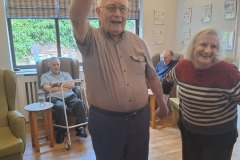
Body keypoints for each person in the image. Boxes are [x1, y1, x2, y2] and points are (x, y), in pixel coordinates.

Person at [69, 0, 169, 159]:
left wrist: (162, 103)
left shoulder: (138, 42)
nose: (118, 14)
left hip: (139, 120)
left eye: (122, 9)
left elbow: (151, 76)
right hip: (106, 123)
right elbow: (76, 17)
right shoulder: (90, 39)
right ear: (98, 12)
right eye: (111, 7)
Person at [161, 27, 240, 160]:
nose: (208, 50)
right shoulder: (183, 66)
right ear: (193, 46)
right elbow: (167, 81)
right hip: (189, 132)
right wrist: (163, 104)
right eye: (203, 44)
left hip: (219, 137)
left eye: (213, 46)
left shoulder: (228, 72)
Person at [40, 57, 88, 144]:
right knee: (60, 107)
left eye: (58, 64)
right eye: (54, 65)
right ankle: (60, 131)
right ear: (49, 65)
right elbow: (47, 88)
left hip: (69, 96)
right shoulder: (45, 76)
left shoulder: (65, 74)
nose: (56, 67)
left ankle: (80, 128)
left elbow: (72, 85)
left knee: (80, 103)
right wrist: (63, 87)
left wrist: (58, 85)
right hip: (55, 98)